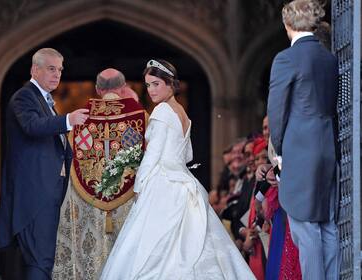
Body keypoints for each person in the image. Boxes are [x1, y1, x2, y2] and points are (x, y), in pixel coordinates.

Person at [100, 59, 255, 280]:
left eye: (156, 84)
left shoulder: (162, 111)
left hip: (162, 185)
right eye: (148, 85)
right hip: (183, 182)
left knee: (152, 249)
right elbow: (188, 155)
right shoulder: (181, 112)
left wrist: (139, 186)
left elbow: (153, 155)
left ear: (170, 84)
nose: (151, 90)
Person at [0, 48, 89, 280]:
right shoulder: (24, 96)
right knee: (40, 261)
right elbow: (33, 125)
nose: (57, 74)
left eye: (59, 69)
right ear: (34, 69)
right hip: (34, 196)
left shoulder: (45, 100)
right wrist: (69, 120)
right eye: (51, 69)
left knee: (42, 261)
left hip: (46, 193)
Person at [267, 1, 339, 279]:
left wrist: (280, 152)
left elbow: (277, 111)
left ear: (288, 25)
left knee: (304, 227)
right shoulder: (328, 58)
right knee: (327, 226)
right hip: (327, 147)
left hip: (299, 151)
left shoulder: (286, 59)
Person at [53, 68, 147, 280]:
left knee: (93, 258)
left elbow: (68, 164)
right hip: (130, 205)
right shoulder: (141, 118)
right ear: (123, 88)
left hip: (90, 206)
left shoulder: (79, 120)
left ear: (97, 89)